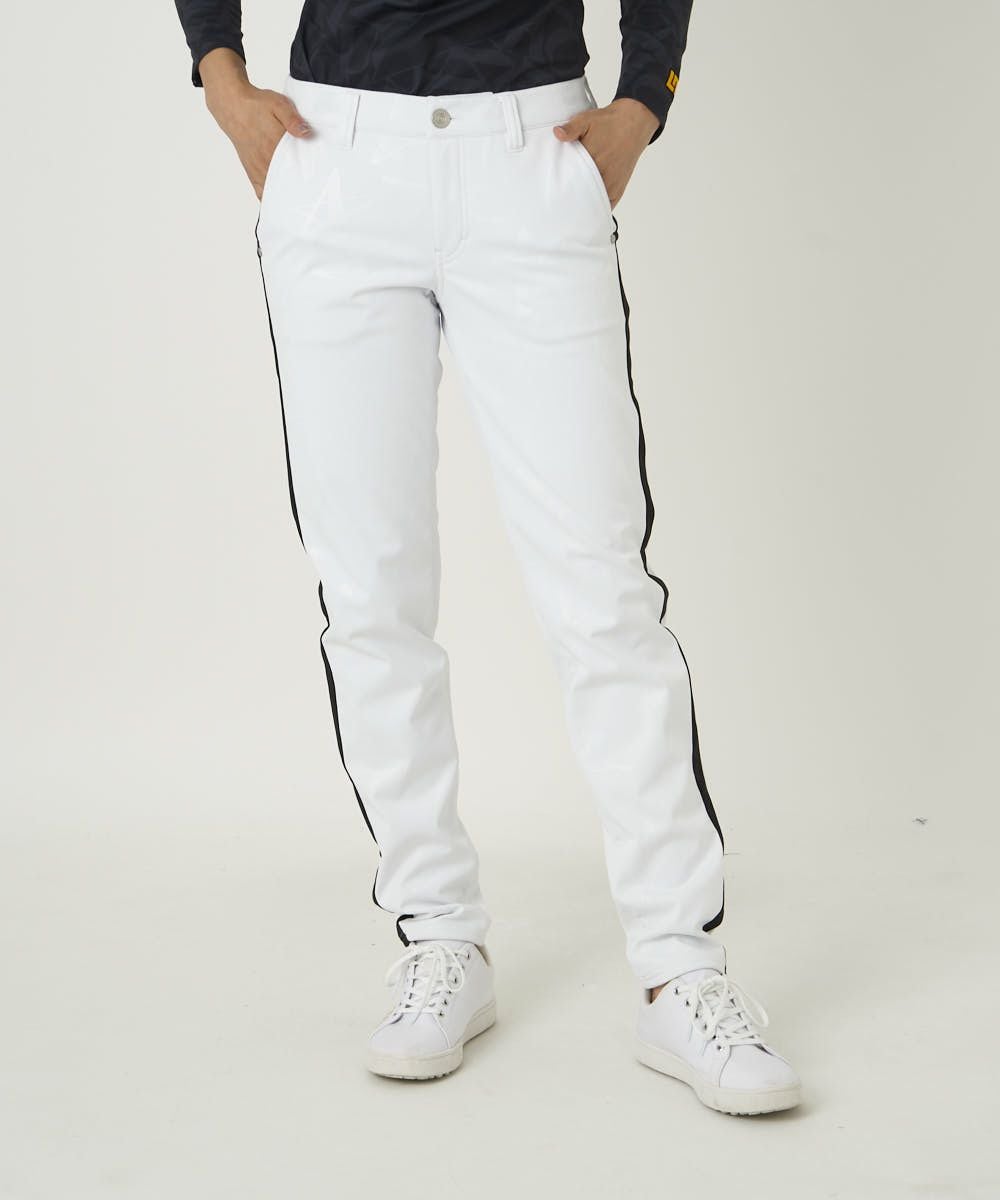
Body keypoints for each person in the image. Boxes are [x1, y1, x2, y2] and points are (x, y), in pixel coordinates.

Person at [173, 0, 802, 1114]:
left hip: (531, 152)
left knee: (602, 592)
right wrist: (220, 78)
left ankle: (678, 969)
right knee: (370, 594)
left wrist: (645, 96)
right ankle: (439, 937)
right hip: (338, 156)